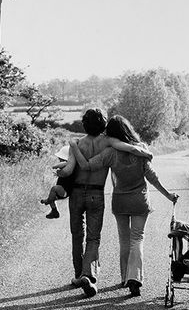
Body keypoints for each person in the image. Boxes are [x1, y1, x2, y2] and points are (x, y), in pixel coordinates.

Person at [69, 115, 178, 297]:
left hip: (120, 201)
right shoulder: (141, 149)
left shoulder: (110, 153)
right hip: (140, 201)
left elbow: (87, 166)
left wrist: (74, 147)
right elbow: (152, 177)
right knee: (138, 239)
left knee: (124, 241)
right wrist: (168, 195)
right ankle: (134, 277)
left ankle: (124, 278)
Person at [57, 108, 152, 298]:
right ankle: (88, 275)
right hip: (95, 193)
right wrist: (144, 152)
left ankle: (79, 276)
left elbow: (68, 170)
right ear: (103, 124)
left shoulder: (78, 144)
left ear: (84, 124)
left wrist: (61, 169)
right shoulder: (108, 142)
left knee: (77, 235)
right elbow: (128, 147)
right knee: (93, 238)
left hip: (76, 192)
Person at [40, 145, 74, 219]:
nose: (59, 159)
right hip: (62, 190)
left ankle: (48, 201)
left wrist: (54, 166)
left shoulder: (68, 165)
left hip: (65, 190)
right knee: (52, 197)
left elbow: (63, 164)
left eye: (60, 159)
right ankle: (54, 211)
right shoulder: (69, 167)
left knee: (54, 189)